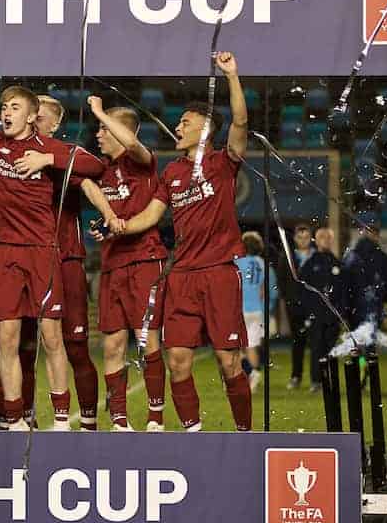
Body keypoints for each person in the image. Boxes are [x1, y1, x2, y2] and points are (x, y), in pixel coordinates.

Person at [0, 38, 106, 431]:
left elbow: (96, 166)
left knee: (52, 337)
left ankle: (63, 419)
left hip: (42, 254)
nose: (6, 113)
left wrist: (48, 158)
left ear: (32, 117)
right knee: (8, 339)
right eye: (4, 108)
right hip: (5, 255)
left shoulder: (49, 148)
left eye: (15, 108)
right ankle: (14, 418)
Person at [107, 51, 252, 431]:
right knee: (177, 360)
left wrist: (232, 76)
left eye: (186, 122)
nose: (178, 126)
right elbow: (152, 216)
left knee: (229, 361)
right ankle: (192, 432)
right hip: (182, 276)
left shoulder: (224, 162)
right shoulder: (171, 172)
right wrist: (119, 224)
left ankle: (245, 434)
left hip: (219, 272)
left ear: (205, 130)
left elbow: (240, 120)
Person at [83, 96, 169, 431]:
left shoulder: (143, 163)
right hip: (112, 264)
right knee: (113, 344)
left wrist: (101, 112)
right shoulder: (101, 171)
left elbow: (132, 142)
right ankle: (119, 420)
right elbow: (85, 182)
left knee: (147, 338)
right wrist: (104, 226)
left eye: (103, 130)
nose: (98, 135)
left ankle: (156, 418)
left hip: (145, 261)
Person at [34, 95, 106, 431]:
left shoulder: (66, 154)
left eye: (42, 114)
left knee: (75, 345)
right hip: (23, 259)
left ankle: (89, 422)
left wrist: (109, 214)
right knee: (21, 345)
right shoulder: (10, 154)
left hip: (66, 258)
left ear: (57, 124)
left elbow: (93, 173)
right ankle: (19, 418)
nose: (35, 118)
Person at [298, 228, 349, 395]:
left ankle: (329, 380)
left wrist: (341, 312)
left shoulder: (337, 263)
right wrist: (308, 312)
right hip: (316, 314)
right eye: (322, 237)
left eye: (328, 238)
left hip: (333, 315)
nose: (325, 240)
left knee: (330, 349)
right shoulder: (310, 263)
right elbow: (303, 290)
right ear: (316, 240)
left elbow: (343, 290)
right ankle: (316, 381)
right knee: (316, 348)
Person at [235, 231, 278, 390]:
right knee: (252, 345)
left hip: (240, 309)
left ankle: (247, 374)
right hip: (257, 310)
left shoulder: (238, 262)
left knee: (235, 346)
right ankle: (253, 377)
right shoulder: (263, 264)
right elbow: (267, 290)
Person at [280, 224, 315, 389]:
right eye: (300, 237)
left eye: (306, 237)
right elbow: (282, 281)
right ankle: (296, 376)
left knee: (316, 343)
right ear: (294, 238)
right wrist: (288, 300)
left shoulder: (317, 256)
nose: (303, 241)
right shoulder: (286, 256)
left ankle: (317, 379)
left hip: (314, 306)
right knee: (298, 342)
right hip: (295, 307)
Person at [342, 223, 387, 331]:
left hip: (355, 306)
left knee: (356, 340)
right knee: (369, 341)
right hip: (372, 306)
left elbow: (344, 282)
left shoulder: (352, 256)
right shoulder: (382, 258)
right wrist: (380, 294)